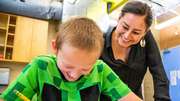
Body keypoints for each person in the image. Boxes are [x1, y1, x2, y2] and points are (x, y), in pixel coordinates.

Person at [0, 17, 142, 101]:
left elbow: (128, 97)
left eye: (86, 69)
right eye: (68, 66)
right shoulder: (41, 66)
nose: (74, 75)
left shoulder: (100, 70)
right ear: (55, 47)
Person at [100, 1, 170, 101]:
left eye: (136, 32)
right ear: (119, 18)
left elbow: (159, 74)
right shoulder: (100, 40)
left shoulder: (147, 40)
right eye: (125, 27)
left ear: (145, 33)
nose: (127, 36)